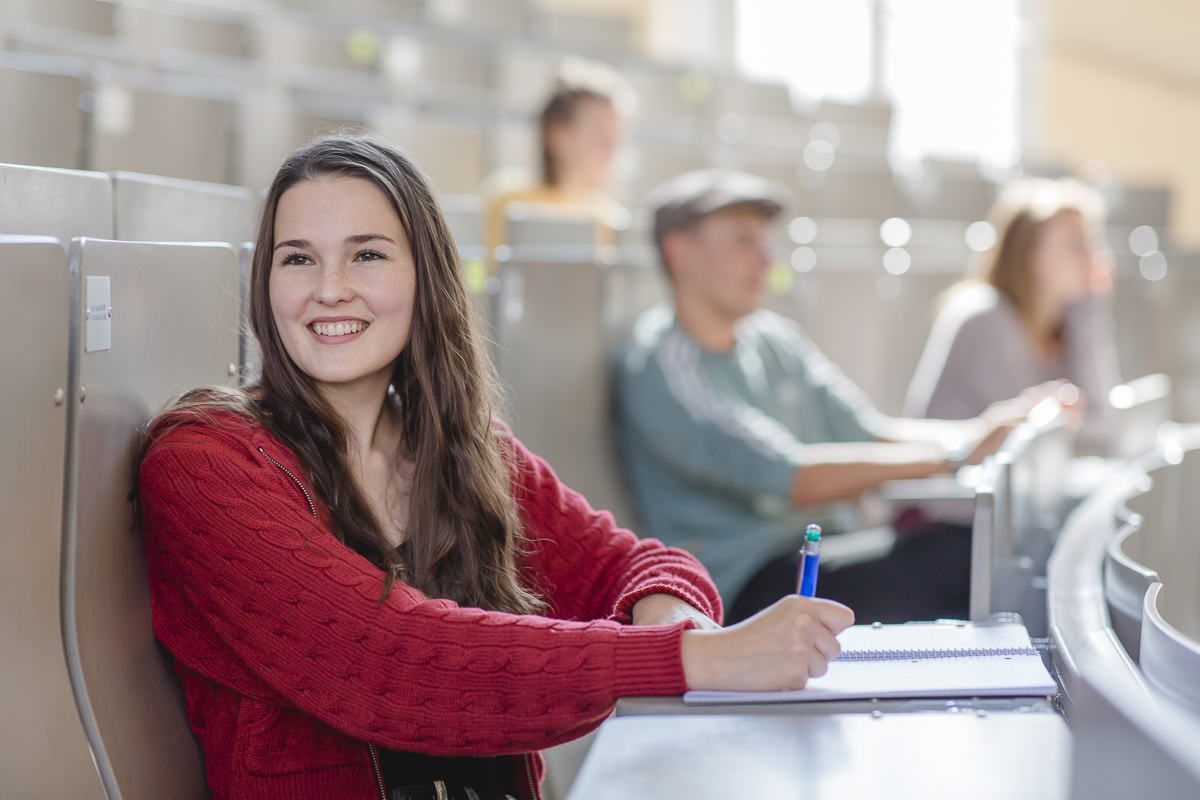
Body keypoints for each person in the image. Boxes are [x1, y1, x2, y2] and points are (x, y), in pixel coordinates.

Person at [137, 137, 855, 800]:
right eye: (297, 258)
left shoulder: (464, 447)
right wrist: (694, 661)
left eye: (367, 255)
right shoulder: (202, 463)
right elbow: (396, 662)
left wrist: (675, 619)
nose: (330, 289)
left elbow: (632, 564)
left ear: (427, 278)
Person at [615, 169, 1033, 627]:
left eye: (764, 241)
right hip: (747, 588)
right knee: (963, 558)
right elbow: (792, 475)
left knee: (978, 549)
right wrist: (958, 454)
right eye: (742, 240)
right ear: (680, 253)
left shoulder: (775, 339)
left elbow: (869, 432)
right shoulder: (661, 364)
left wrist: (988, 431)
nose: (765, 259)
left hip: (820, 551)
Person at [905, 177, 1120, 450]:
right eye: (1076, 245)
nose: (1094, 258)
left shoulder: (1062, 325)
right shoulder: (984, 318)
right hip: (951, 489)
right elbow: (1039, 445)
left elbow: (1101, 423)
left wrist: (1092, 310)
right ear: (1031, 254)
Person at [483, 58, 630, 262]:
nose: (610, 148)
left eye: (615, 136)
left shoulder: (611, 215)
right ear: (556, 132)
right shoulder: (507, 198)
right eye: (598, 133)